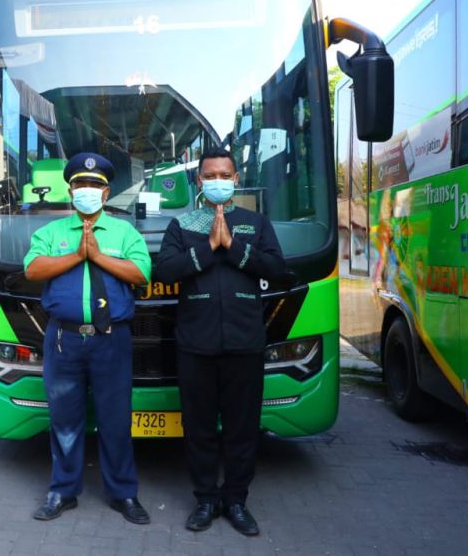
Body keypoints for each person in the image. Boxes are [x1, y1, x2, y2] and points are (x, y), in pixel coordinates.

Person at [154, 147, 289, 536]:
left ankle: (236, 500)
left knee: (242, 428)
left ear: (235, 179)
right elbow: (165, 269)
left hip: (245, 343)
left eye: (223, 175)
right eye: (209, 175)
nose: (217, 181)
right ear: (199, 181)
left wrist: (233, 247)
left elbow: (278, 270)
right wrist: (208, 247)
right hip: (195, 344)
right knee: (198, 428)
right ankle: (205, 500)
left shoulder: (255, 222)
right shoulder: (183, 225)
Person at [24, 153, 152, 525]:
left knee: (115, 420)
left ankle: (123, 494)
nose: (88, 191)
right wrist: (77, 253)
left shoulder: (125, 233)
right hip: (64, 341)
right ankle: (63, 492)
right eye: (81, 184)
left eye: (95, 186)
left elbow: (141, 273)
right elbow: (33, 268)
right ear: (71, 189)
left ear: (106, 191)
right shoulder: (51, 233)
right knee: (64, 419)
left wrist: (97, 256)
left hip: (111, 340)